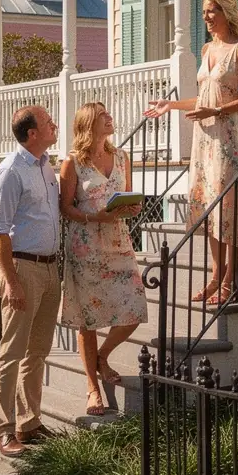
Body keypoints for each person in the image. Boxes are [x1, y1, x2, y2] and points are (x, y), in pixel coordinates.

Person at [145, 0, 238, 305]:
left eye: (212, 11)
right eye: (205, 12)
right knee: (210, 207)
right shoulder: (208, 48)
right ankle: (214, 276)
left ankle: (229, 280)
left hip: (230, 138)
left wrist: (217, 111)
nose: (206, 17)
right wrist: (172, 104)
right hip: (204, 139)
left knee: (230, 206)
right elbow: (204, 98)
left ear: (227, 12)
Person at [59, 102, 146, 417]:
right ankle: (92, 387)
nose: (110, 117)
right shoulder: (72, 163)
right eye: (103, 115)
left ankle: (101, 356)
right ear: (89, 124)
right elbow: (65, 208)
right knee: (89, 320)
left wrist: (133, 207)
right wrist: (94, 217)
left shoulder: (122, 157)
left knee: (134, 310)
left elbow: (128, 194)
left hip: (119, 242)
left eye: (108, 113)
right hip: (85, 247)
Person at [0, 105, 61, 457]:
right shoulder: (10, 172)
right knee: (12, 352)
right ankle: (3, 431)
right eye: (48, 122)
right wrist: (12, 282)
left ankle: (29, 423)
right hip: (22, 268)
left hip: (49, 268)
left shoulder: (46, 165)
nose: (54, 125)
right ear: (32, 133)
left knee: (37, 352)